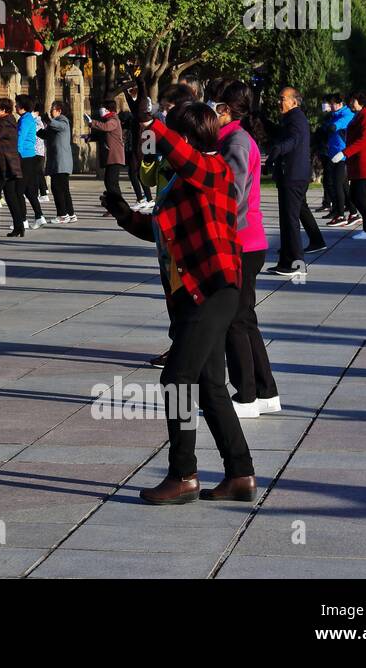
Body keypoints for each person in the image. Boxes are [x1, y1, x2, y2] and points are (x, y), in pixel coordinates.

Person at [100, 102, 255, 505]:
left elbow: (185, 159)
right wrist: (122, 214)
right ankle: (240, 475)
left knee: (175, 380)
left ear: (184, 138)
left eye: (169, 135)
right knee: (209, 387)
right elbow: (162, 232)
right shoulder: (183, 181)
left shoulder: (213, 169)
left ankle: (183, 475)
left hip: (213, 289)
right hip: (193, 295)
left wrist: (151, 123)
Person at [210, 81, 279, 418]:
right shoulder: (232, 138)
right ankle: (266, 391)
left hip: (240, 241)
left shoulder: (235, 141)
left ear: (226, 109)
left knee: (234, 320)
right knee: (245, 318)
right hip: (248, 241)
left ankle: (246, 395)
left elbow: (231, 197)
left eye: (214, 104)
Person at [267, 86, 326, 277]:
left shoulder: (297, 119)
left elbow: (293, 140)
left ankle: (296, 264)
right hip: (290, 175)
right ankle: (285, 261)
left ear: (294, 101)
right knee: (287, 220)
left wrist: (277, 150)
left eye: (282, 98)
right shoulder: (290, 118)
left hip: (293, 176)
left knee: (290, 221)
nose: (279, 102)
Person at [335, 92, 366, 240]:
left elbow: (364, 140)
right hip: (360, 163)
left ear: (360, 102)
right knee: (356, 196)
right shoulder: (361, 115)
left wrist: (344, 152)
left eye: (353, 100)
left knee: (359, 197)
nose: (351, 103)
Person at [0, 98, 26, 237]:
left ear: (3, 110)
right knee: (10, 196)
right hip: (7, 163)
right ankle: (19, 226)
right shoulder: (9, 120)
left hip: (4, 165)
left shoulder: (3, 122)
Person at [40, 100, 76, 223]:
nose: (51, 111)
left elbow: (58, 126)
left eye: (52, 109)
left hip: (61, 162)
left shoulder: (63, 120)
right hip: (58, 162)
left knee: (57, 188)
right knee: (64, 189)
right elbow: (46, 133)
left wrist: (49, 120)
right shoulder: (54, 124)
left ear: (59, 111)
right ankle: (71, 214)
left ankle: (62, 215)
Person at [323, 94, 356, 227]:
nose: (330, 106)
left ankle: (340, 215)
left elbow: (336, 126)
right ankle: (353, 213)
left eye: (332, 104)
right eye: (329, 103)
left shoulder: (347, 114)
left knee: (337, 184)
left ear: (340, 103)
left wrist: (331, 126)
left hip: (343, 155)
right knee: (343, 187)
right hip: (333, 155)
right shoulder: (334, 115)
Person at [124, 81, 155, 211]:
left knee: (134, 173)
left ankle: (142, 199)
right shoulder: (139, 114)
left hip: (140, 147)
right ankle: (148, 198)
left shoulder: (142, 115)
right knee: (138, 174)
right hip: (140, 147)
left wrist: (140, 79)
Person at [16, 95, 46, 228]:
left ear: (22, 106)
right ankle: (39, 216)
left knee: (18, 191)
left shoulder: (25, 120)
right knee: (28, 190)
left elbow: (20, 138)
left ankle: (23, 220)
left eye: (17, 104)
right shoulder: (26, 118)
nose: (15, 107)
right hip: (29, 156)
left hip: (25, 157)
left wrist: (16, 154)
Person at [87, 100, 126, 198]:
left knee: (111, 182)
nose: (101, 110)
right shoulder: (108, 119)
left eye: (103, 108)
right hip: (111, 157)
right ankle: (117, 206)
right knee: (110, 182)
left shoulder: (113, 120)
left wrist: (92, 122)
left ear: (109, 109)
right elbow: (103, 134)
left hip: (115, 157)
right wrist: (89, 137)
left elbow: (106, 127)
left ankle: (119, 206)